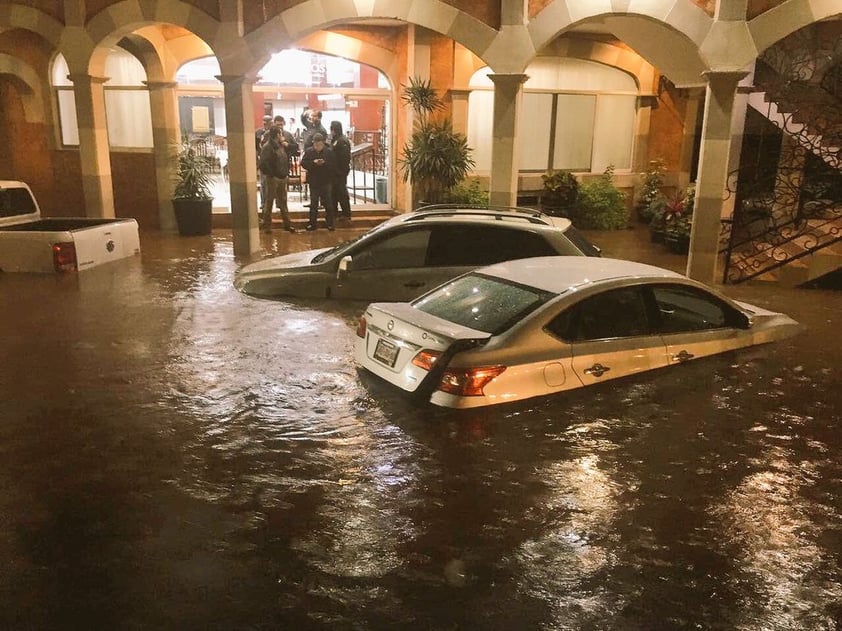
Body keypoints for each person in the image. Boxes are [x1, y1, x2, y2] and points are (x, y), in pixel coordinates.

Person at [258, 127, 295, 233]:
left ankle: (287, 224)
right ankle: (267, 226)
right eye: (281, 134)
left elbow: (293, 150)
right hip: (273, 178)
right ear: (277, 135)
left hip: (282, 177)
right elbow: (263, 164)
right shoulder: (268, 147)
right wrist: (273, 174)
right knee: (269, 202)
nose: (282, 136)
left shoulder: (281, 146)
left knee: (283, 202)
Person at [300, 132, 335, 231]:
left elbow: (333, 165)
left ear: (323, 143)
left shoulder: (328, 152)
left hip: (325, 181)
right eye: (315, 145)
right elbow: (303, 163)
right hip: (314, 181)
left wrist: (324, 164)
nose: (317, 147)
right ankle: (312, 223)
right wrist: (313, 163)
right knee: (313, 203)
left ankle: (330, 223)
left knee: (328, 203)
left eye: (319, 145)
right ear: (313, 143)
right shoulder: (309, 152)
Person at [329, 121, 352, 221]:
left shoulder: (342, 141)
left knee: (341, 192)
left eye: (332, 129)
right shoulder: (336, 140)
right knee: (334, 193)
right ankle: (335, 212)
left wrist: (340, 170)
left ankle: (346, 213)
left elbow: (344, 158)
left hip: (340, 172)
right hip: (335, 172)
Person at [256, 114, 273, 207]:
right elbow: (255, 146)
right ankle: (263, 202)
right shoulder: (258, 132)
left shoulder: (274, 132)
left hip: (272, 161)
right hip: (262, 160)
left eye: (268, 122)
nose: (265, 123)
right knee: (263, 183)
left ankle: (272, 203)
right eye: (264, 121)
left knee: (272, 183)